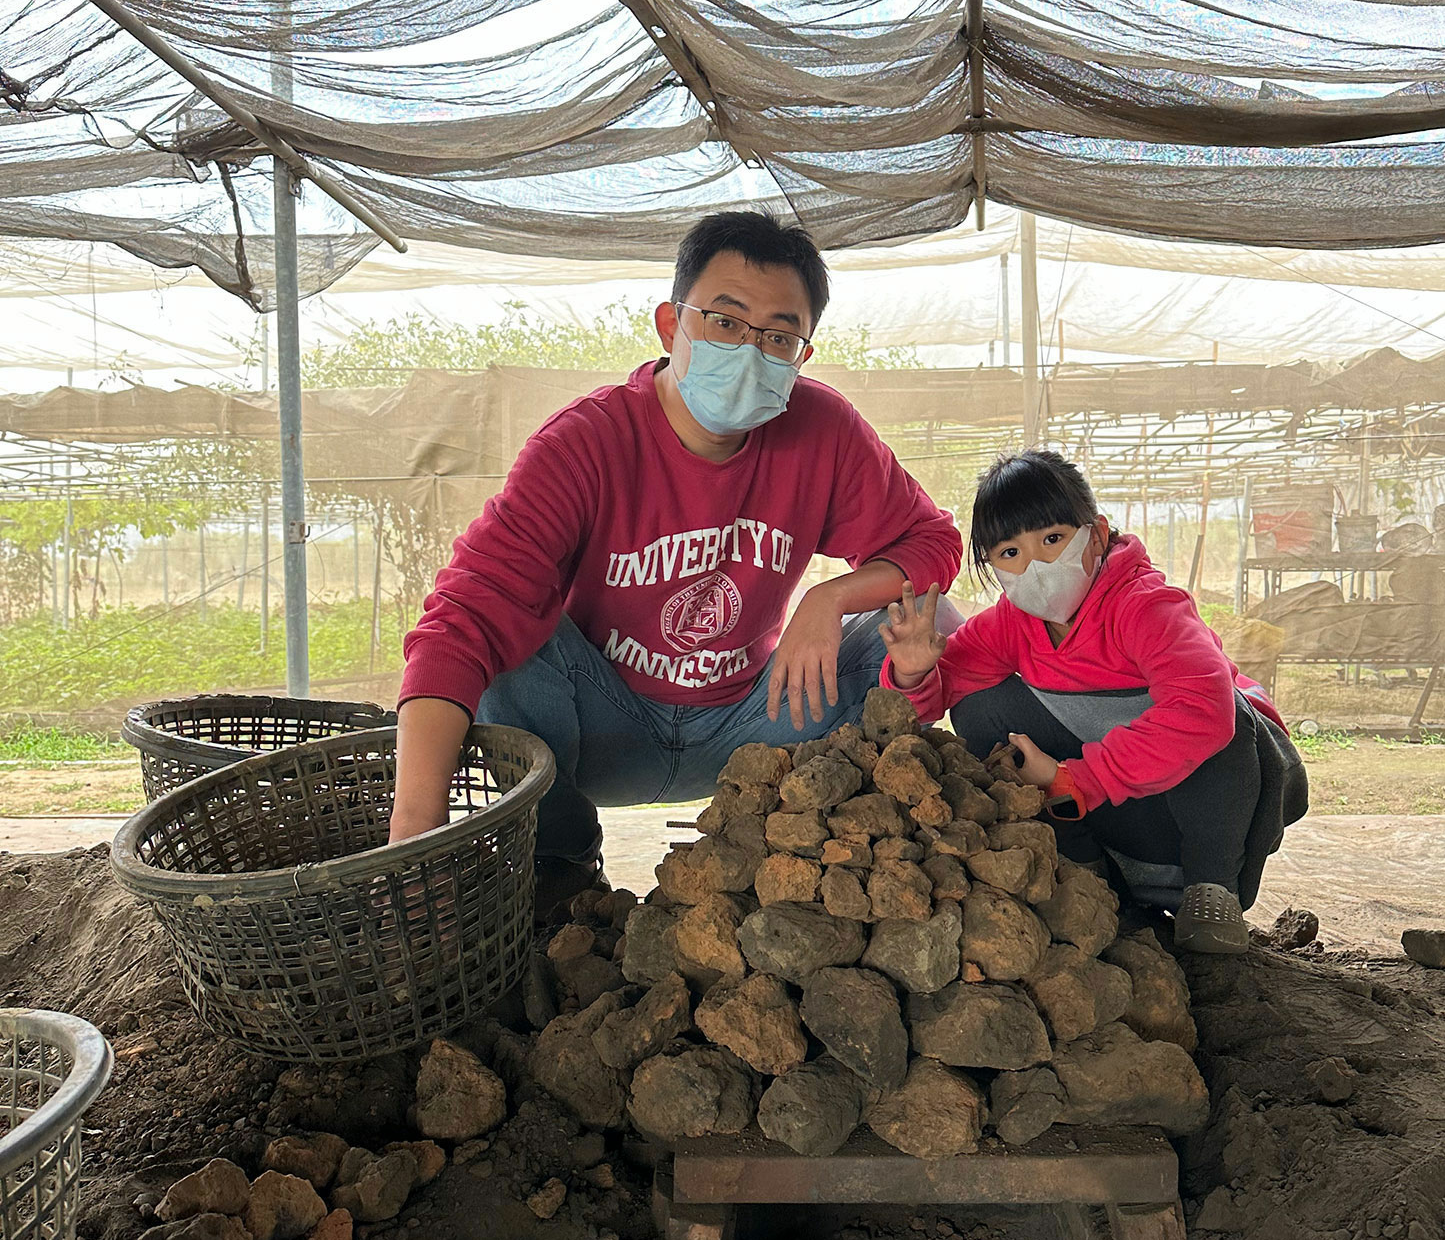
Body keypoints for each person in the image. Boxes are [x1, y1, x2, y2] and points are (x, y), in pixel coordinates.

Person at [390, 210, 962, 895]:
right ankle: (559, 867)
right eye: (725, 322)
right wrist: (413, 836)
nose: (750, 351)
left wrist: (831, 596)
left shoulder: (825, 431)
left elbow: (932, 541)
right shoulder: (585, 444)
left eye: (778, 336)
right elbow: (463, 618)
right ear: (671, 324)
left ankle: (819, 842)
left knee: (932, 621)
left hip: (757, 722)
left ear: (802, 356)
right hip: (603, 720)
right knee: (507, 648)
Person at [878, 448, 1305, 952]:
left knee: (1223, 708)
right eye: (1010, 553)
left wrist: (1072, 779)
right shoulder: (1014, 624)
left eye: (1053, 540)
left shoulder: (1146, 606)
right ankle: (1091, 878)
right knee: (979, 707)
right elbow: (939, 692)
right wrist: (912, 669)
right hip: (1117, 807)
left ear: (1096, 535)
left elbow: (1204, 713)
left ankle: (1209, 892)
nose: (1035, 566)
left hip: (1223, 804)